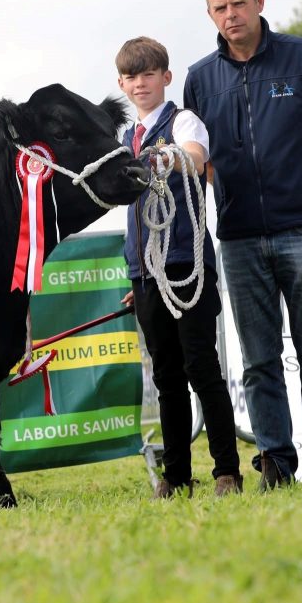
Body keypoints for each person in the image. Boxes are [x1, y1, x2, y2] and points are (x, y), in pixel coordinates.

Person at [183, 0, 302, 490]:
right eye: (220, 8)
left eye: (238, 3)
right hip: (238, 238)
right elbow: (201, 155)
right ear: (210, 14)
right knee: (258, 362)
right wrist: (228, 198)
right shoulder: (199, 77)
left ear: (258, 0)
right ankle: (276, 465)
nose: (230, 15)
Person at [116, 36, 242, 498]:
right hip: (147, 274)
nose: (140, 83)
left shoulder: (183, 120)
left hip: (189, 265)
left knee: (201, 368)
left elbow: (194, 155)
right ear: (121, 84)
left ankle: (227, 471)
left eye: (149, 74)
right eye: (132, 76)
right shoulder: (123, 139)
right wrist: (137, 273)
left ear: (166, 77)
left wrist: (169, 157)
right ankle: (176, 475)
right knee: (167, 377)